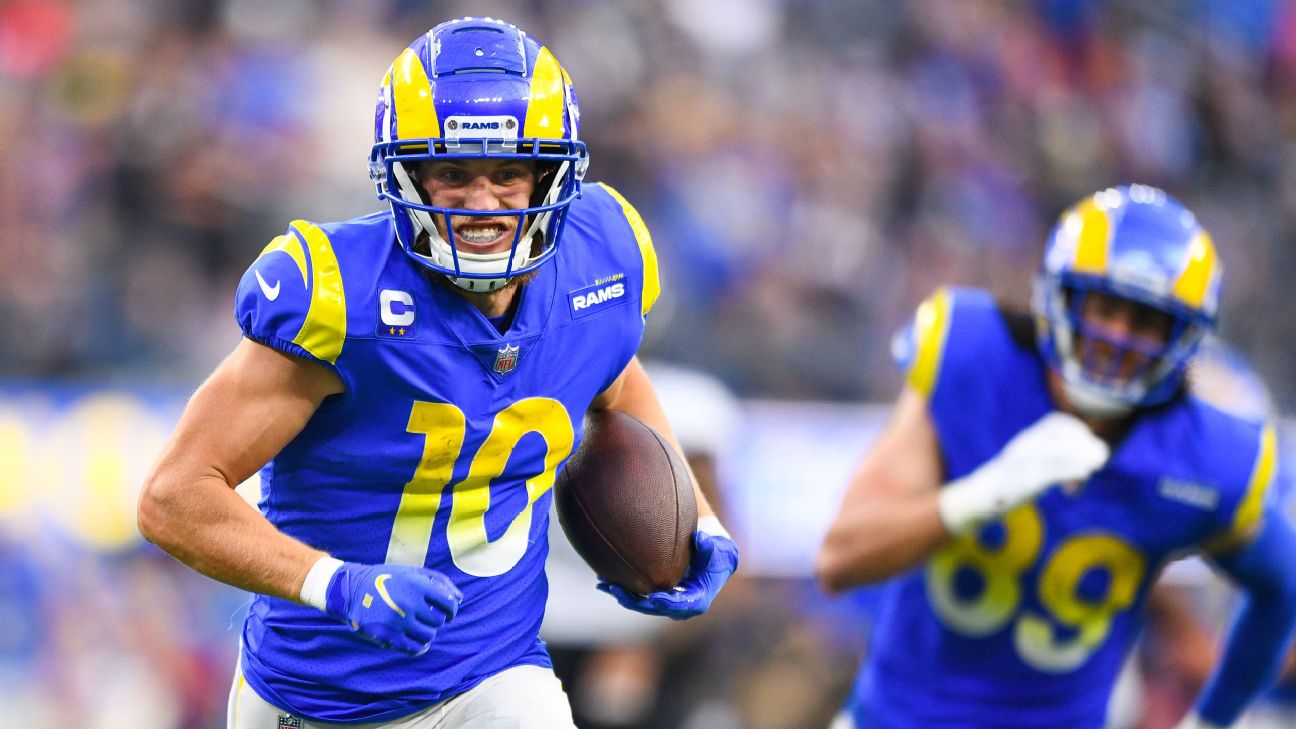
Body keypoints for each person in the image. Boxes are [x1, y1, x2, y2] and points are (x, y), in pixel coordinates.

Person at [136, 17, 738, 729]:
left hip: (495, 674)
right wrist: (335, 583)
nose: (482, 203)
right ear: (406, 175)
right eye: (453, 174)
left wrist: (697, 519)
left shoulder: (599, 264)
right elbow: (173, 497)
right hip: (319, 697)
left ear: (551, 176)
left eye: (508, 173)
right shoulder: (337, 295)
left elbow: (615, 381)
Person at [815, 184, 1296, 729]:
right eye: (1105, 307)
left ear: (1183, 338)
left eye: (1146, 320)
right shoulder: (975, 357)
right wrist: (981, 495)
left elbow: (1282, 589)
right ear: (1058, 297)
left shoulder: (1202, 455)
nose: (1118, 338)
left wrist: (1212, 720)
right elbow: (840, 560)